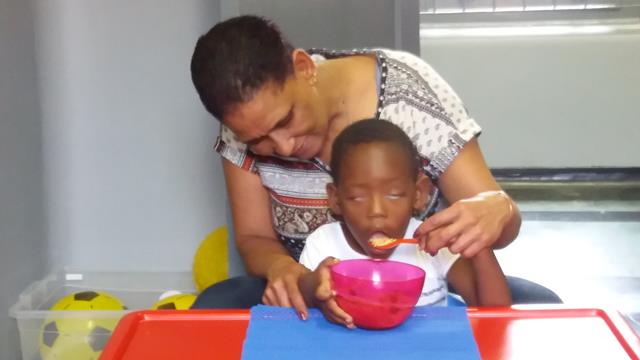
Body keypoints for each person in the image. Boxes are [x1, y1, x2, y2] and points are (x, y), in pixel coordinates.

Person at [189, 15, 558, 311]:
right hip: (310, 293)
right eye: (258, 141)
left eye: (285, 120)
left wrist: (497, 208)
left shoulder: (410, 94)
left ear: (303, 67)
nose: (282, 146)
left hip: (427, 288)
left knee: (543, 309)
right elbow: (254, 238)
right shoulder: (240, 124)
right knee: (217, 306)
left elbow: (496, 226)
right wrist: (285, 270)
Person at [297, 119, 511, 327]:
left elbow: (495, 313)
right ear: (336, 199)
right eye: (358, 197)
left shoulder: (434, 243)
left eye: (394, 195)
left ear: (418, 195)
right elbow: (301, 299)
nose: (376, 212)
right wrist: (315, 285)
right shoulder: (324, 243)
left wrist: (478, 245)